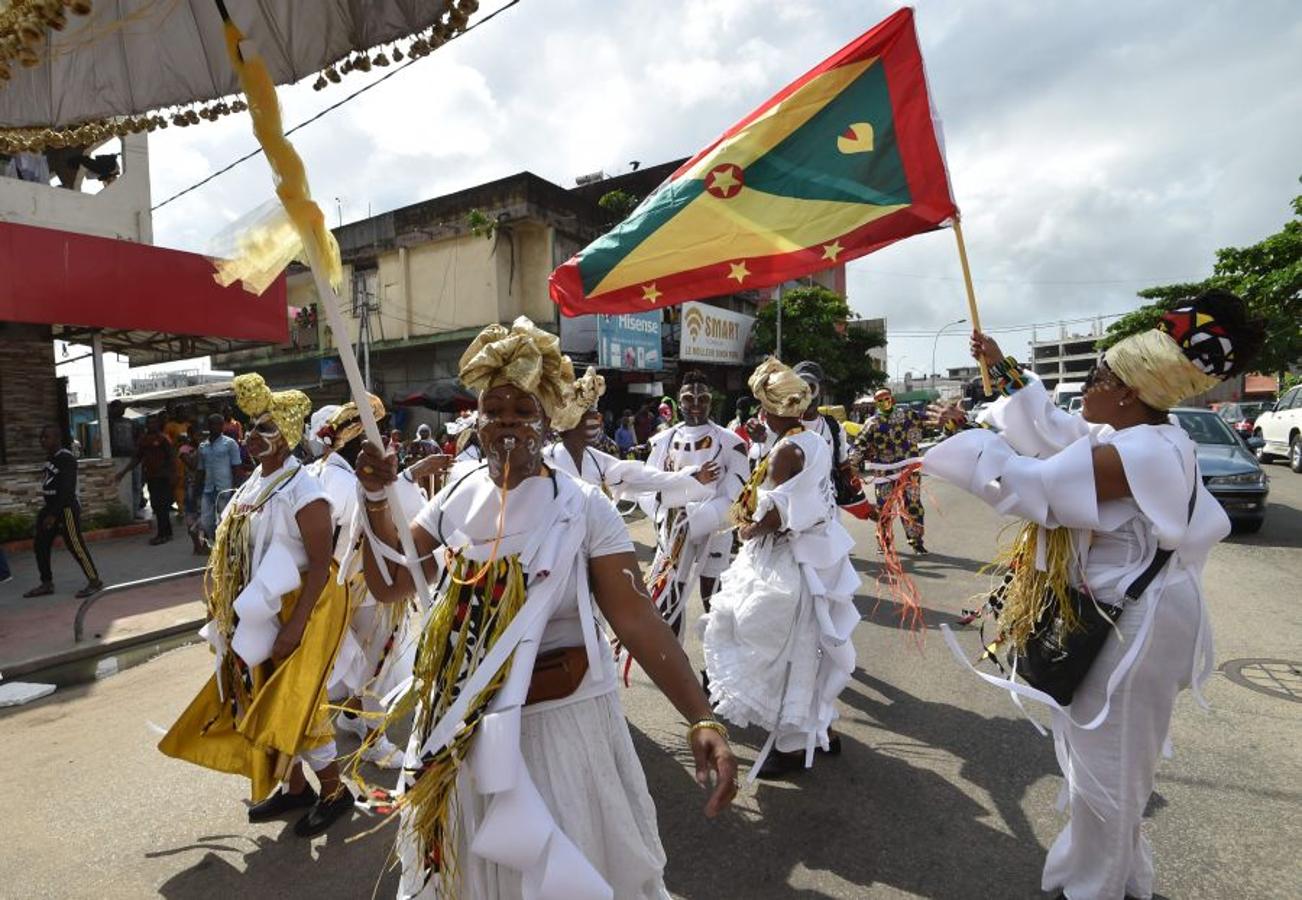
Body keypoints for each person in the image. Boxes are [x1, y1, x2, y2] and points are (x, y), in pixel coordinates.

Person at [353, 317, 737, 898]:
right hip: (466, 729)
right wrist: (377, 500)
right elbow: (390, 584)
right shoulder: (457, 494)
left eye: (523, 408)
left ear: (547, 418)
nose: (507, 419)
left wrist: (700, 716)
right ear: (476, 419)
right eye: (494, 407)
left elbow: (636, 620)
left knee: (561, 872)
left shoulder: (584, 508)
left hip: (560, 732)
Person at [924, 290, 1263, 900]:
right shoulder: (1136, 434)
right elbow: (1058, 431)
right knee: (1104, 761)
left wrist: (971, 446)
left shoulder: (1140, 452)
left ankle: (1096, 890)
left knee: (1110, 766)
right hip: (1123, 616)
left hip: (1133, 626)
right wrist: (1001, 368)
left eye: (1099, 373)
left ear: (1131, 391)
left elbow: (1038, 488)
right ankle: (1116, 879)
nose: (1089, 381)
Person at [159, 373, 355, 838]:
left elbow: (322, 561)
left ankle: (334, 790)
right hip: (254, 611)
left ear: (287, 437)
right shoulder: (250, 488)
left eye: (266, 430)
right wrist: (218, 609)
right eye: (250, 428)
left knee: (293, 702)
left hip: (296, 609)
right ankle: (294, 789)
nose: (251, 437)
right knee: (253, 697)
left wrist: (296, 626)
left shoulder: (303, 490)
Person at [702, 358, 860, 780]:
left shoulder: (785, 451)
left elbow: (782, 512)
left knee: (776, 644)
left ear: (769, 410)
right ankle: (819, 727)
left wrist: (751, 529)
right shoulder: (813, 440)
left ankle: (791, 745)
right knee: (812, 643)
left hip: (789, 558)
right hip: (816, 554)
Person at [309, 397, 430, 770]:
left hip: (340, 587)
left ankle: (349, 717)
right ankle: (376, 743)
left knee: (348, 661)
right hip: (361, 587)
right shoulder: (346, 482)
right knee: (373, 666)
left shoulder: (319, 472)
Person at [642, 370, 751, 639]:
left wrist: (704, 518)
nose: (695, 405)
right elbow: (648, 486)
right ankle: (675, 659)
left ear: (711, 402)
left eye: (702, 399)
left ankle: (718, 662)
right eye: (689, 398)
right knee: (669, 597)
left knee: (713, 597)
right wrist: (672, 512)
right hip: (674, 527)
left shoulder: (730, 442)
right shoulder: (662, 441)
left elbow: (739, 494)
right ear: (679, 401)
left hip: (714, 526)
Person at [544, 366, 719, 502]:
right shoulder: (545, 461)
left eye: (597, 415)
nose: (598, 420)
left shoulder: (597, 461)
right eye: (590, 416)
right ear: (571, 420)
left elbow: (646, 478)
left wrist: (692, 476)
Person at [23, 425, 102, 599]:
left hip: (65, 509)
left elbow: (67, 489)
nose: (42, 440)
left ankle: (95, 581)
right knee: (40, 545)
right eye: (41, 437)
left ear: (57, 438)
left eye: (46, 437)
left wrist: (53, 515)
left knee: (75, 545)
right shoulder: (51, 457)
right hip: (50, 508)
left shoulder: (66, 458)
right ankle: (46, 583)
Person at [854, 387, 927, 554]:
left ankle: (916, 541)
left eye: (886, 398)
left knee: (913, 505)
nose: (883, 403)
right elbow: (859, 444)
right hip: (884, 472)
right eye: (878, 401)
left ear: (892, 399)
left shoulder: (909, 415)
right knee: (884, 508)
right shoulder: (872, 423)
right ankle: (884, 542)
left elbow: (925, 425)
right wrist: (851, 464)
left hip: (909, 469)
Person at [115, 414, 176, 545]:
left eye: (154, 423)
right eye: (149, 423)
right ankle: (165, 533)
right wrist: (124, 472)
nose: (151, 425)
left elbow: (171, 458)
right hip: (152, 477)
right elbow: (137, 458)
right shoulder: (144, 440)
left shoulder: (163, 439)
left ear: (158, 424)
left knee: (162, 506)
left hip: (163, 477)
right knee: (156, 506)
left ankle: (164, 534)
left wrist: (172, 476)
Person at [198, 413, 243, 546]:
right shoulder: (203, 446)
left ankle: (225, 545)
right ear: (209, 426)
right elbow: (200, 470)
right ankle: (216, 539)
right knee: (206, 521)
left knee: (225, 519)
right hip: (208, 488)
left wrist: (237, 489)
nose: (216, 427)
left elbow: (236, 467)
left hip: (225, 488)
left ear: (222, 426)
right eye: (213, 424)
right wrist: (196, 490)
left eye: (219, 424)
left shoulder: (230, 444)